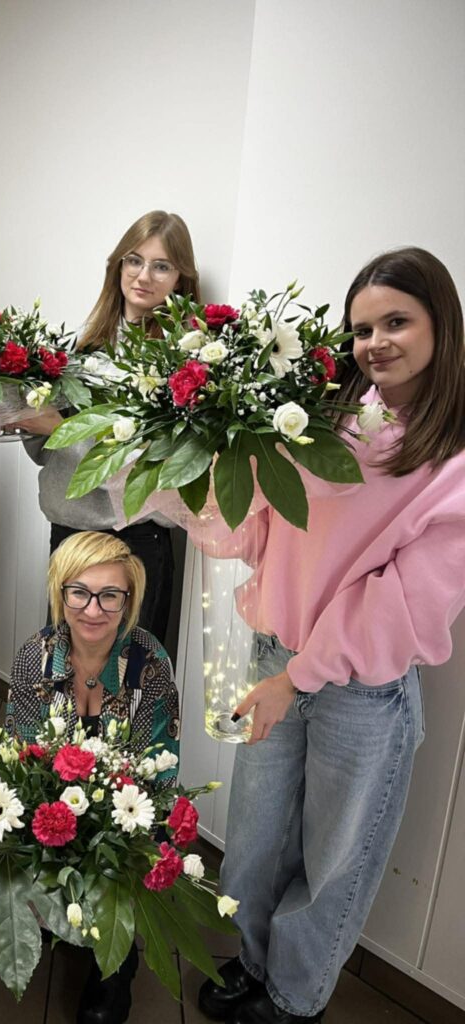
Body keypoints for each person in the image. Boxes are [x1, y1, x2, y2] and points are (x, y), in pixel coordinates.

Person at [198, 247, 465, 1024]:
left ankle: (294, 994)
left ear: (441, 325)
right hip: (275, 655)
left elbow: (404, 599)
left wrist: (299, 677)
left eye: (396, 322)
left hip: (360, 687)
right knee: (255, 836)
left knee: (334, 857)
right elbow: (267, 530)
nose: (376, 342)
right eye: (361, 329)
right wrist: (217, 452)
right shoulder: (324, 421)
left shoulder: (451, 457)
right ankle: (254, 962)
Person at [6, 530, 180, 1024]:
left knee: (123, 868)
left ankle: (116, 966)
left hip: (125, 810)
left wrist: (108, 836)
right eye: (79, 592)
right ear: (60, 594)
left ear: (129, 601)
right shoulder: (35, 657)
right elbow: (23, 759)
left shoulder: (150, 663)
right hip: (51, 807)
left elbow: (158, 772)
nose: (93, 609)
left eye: (110, 595)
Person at [15, 211, 202, 644]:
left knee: (130, 672)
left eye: (161, 266)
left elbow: (163, 470)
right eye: (134, 260)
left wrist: (66, 427)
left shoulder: (186, 361)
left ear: (181, 279)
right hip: (70, 532)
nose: (143, 276)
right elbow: (47, 454)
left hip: (136, 540)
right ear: (118, 264)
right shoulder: (79, 345)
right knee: (65, 666)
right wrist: (27, 417)